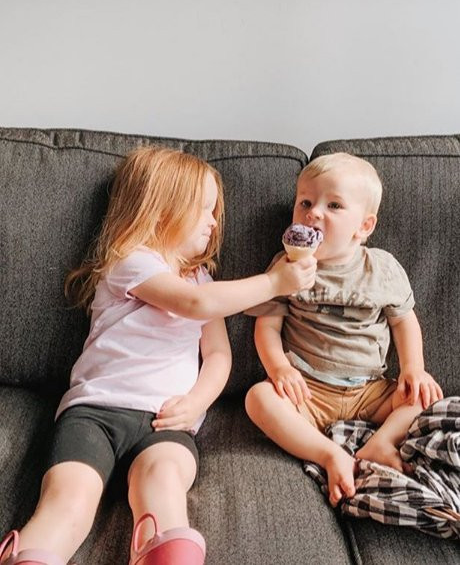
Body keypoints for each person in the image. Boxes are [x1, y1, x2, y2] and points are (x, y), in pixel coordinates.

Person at [0, 147, 316, 565]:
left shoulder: (204, 281)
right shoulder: (130, 262)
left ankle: (163, 552)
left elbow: (218, 355)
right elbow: (193, 304)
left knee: (164, 489)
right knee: (69, 500)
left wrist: (197, 402)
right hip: (95, 413)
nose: (214, 221)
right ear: (160, 209)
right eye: (204, 209)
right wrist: (274, 282)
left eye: (214, 211)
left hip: (166, 424)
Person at [244, 152, 443, 508]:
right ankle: (329, 454)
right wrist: (279, 368)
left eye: (333, 205)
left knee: (421, 398)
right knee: (258, 399)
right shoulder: (287, 267)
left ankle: (381, 442)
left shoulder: (381, 268)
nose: (313, 213)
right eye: (305, 202)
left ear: (363, 227)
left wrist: (414, 368)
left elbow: (404, 320)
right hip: (308, 390)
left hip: (370, 390)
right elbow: (268, 325)